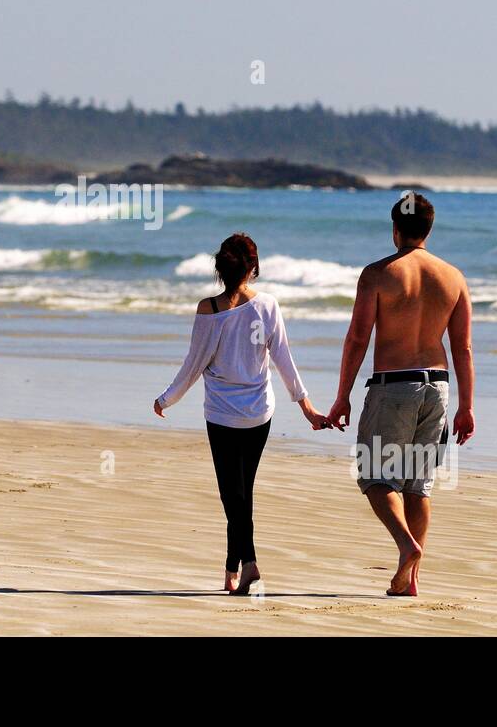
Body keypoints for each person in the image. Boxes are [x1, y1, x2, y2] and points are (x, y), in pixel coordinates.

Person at [321, 193, 476, 596]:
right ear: (429, 228)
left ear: (395, 230)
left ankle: (407, 547)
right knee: (417, 484)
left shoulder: (377, 274)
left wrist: (342, 396)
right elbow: (463, 348)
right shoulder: (453, 277)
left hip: (395, 385)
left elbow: (357, 339)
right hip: (438, 387)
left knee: (373, 475)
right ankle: (410, 579)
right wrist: (467, 406)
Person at [153, 233, 323, 594]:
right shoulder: (269, 306)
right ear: (253, 268)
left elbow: (194, 364)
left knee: (234, 495)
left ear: (220, 269)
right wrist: (305, 405)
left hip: (223, 415)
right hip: (260, 413)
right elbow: (284, 359)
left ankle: (249, 563)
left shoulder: (209, 310)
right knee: (240, 492)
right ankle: (232, 571)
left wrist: (167, 399)